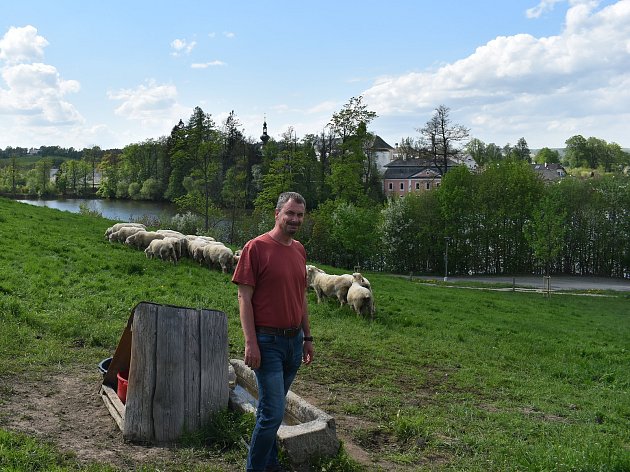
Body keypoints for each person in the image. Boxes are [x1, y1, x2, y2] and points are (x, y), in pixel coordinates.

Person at [232, 191, 314, 472]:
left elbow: (300, 296)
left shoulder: (299, 249)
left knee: (271, 410)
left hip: (294, 342)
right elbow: (244, 297)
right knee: (272, 413)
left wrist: (308, 337)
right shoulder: (256, 248)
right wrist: (250, 342)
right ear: (277, 214)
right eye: (289, 213)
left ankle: (269, 462)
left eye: (300, 215)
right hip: (267, 342)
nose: (294, 219)